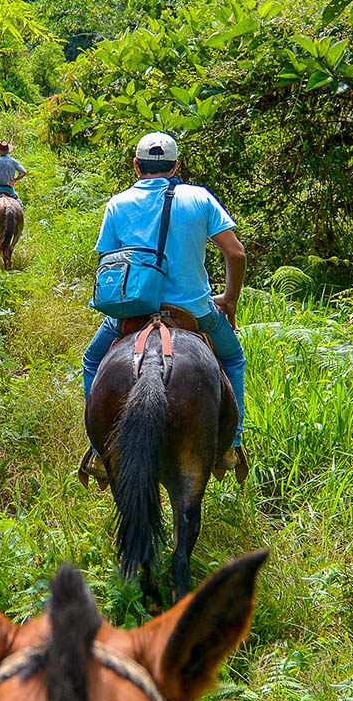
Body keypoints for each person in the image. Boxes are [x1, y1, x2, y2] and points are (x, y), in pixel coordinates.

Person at [79, 131, 247, 486]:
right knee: (232, 358)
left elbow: (109, 264)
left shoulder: (118, 204)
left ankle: (97, 449)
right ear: (175, 166)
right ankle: (230, 445)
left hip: (133, 312)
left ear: (136, 166)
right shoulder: (200, 198)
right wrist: (229, 300)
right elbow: (236, 253)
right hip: (194, 311)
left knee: (93, 360)